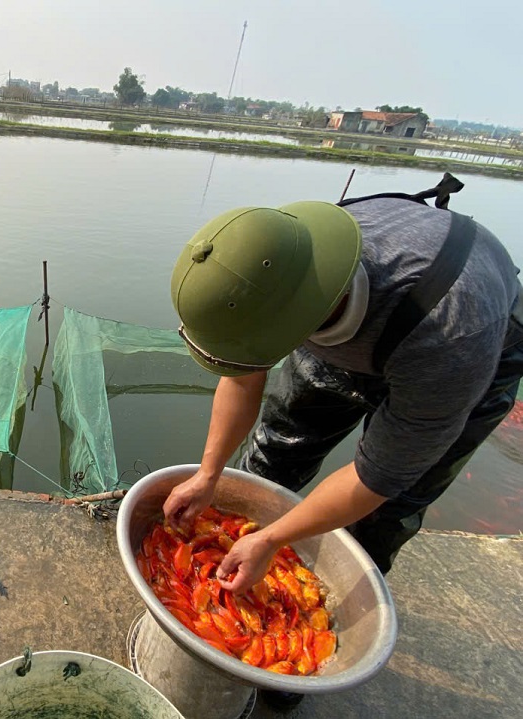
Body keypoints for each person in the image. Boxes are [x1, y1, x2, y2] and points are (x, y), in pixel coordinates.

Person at [163, 177, 523, 707]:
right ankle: (250, 571)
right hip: (348, 315)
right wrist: (209, 474)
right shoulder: (276, 260)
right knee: (274, 454)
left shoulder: (451, 339)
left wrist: (268, 540)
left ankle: (297, 671)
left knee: (383, 515)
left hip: (455, 342)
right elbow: (244, 374)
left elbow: (377, 478)